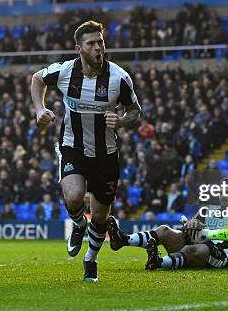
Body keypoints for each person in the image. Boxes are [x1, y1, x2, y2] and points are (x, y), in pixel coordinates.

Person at [30, 20, 141, 282]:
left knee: (102, 215)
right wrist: (39, 109)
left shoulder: (119, 77)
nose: (98, 48)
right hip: (73, 146)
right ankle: (79, 225)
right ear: (78, 48)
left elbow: (135, 110)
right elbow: (37, 79)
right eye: (91, 43)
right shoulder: (66, 71)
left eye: (100, 42)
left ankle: (90, 259)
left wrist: (123, 121)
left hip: (106, 153)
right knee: (73, 196)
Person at [108, 177, 228, 270]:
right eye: (221, 191)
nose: (223, 195)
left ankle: (158, 262)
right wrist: (192, 223)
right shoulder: (208, 210)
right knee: (165, 230)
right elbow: (187, 229)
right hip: (197, 247)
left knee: (192, 249)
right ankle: (123, 240)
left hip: (220, 256)